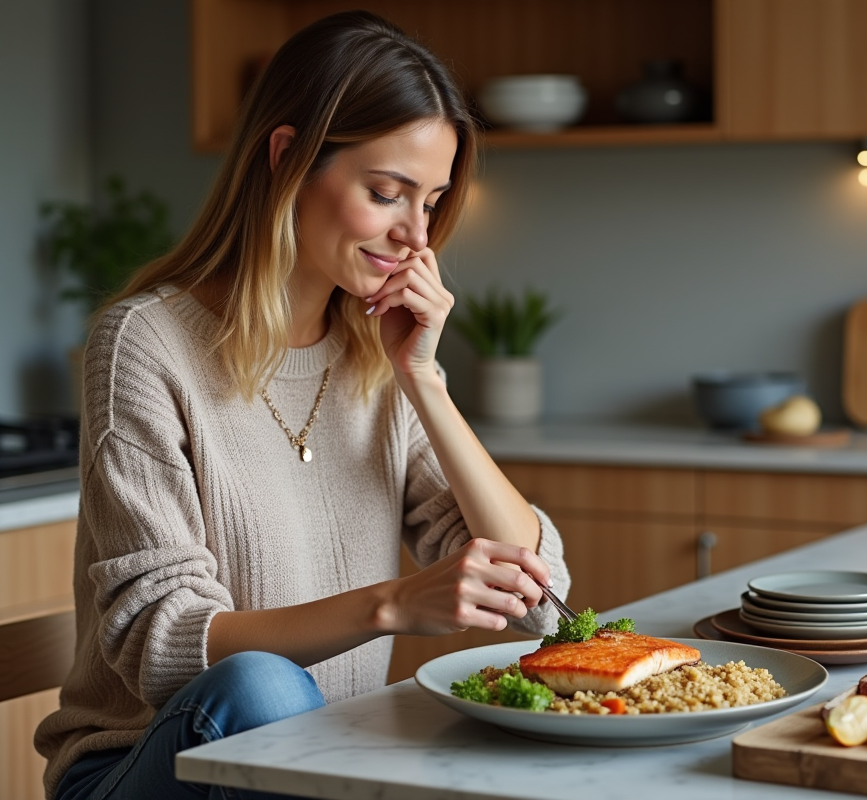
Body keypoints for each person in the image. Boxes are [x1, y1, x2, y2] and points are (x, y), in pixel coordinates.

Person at [35, 11, 571, 800]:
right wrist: (392, 604)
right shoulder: (146, 344)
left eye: (430, 202)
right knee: (264, 691)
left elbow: (542, 603)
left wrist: (426, 383)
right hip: (146, 763)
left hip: (326, 767)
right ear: (286, 158)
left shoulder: (380, 355)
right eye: (386, 193)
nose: (413, 235)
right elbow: (163, 642)